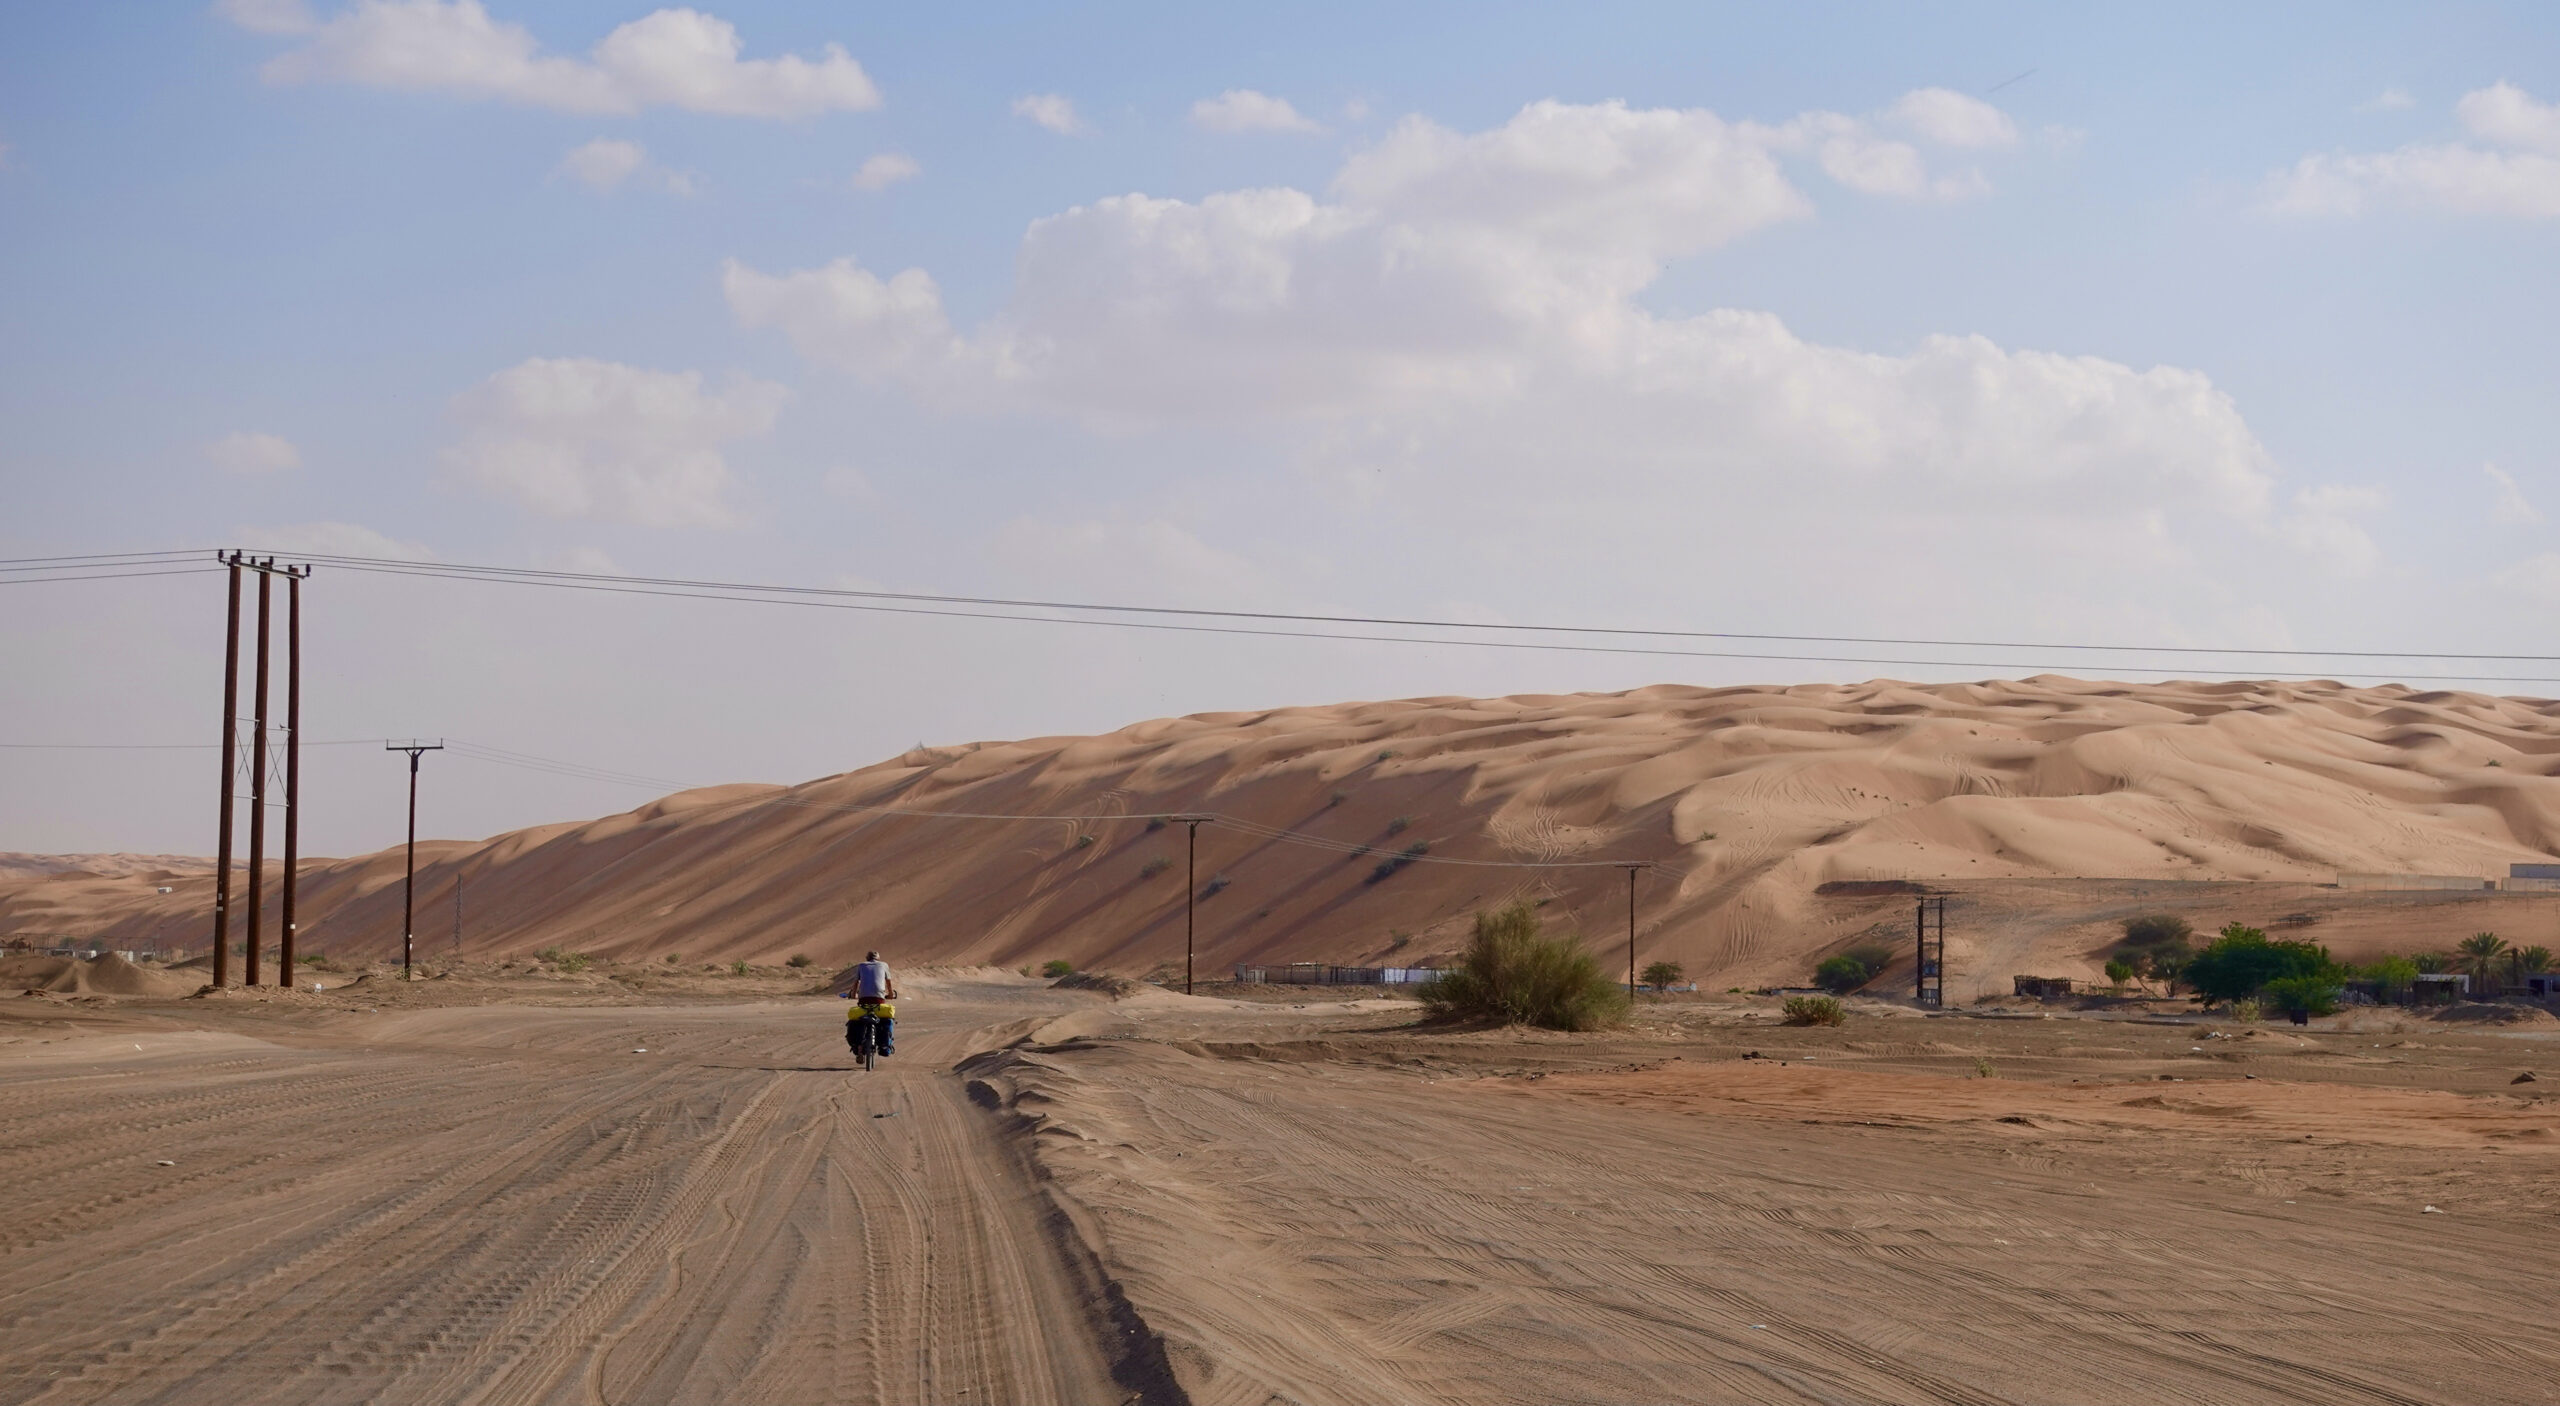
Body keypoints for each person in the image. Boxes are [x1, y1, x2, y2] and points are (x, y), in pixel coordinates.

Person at [847, 950, 897, 1058]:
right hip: (879, 1000)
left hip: (863, 1000)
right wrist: (891, 994)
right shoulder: (884, 965)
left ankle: (859, 1046)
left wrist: (853, 994)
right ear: (878, 958)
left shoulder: (861, 965)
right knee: (885, 1021)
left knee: (857, 1021)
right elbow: (888, 982)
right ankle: (884, 1046)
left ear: (867, 958)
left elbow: (856, 982)